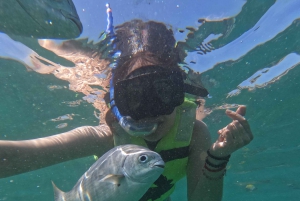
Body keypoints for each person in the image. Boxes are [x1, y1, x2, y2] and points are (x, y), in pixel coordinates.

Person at [0, 6, 253, 201]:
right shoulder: (106, 137)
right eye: (133, 96)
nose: (150, 111)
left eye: (164, 91)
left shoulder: (194, 133)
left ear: (180, 94)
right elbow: (12, 157)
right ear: (116, 102)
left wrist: (218, 157)